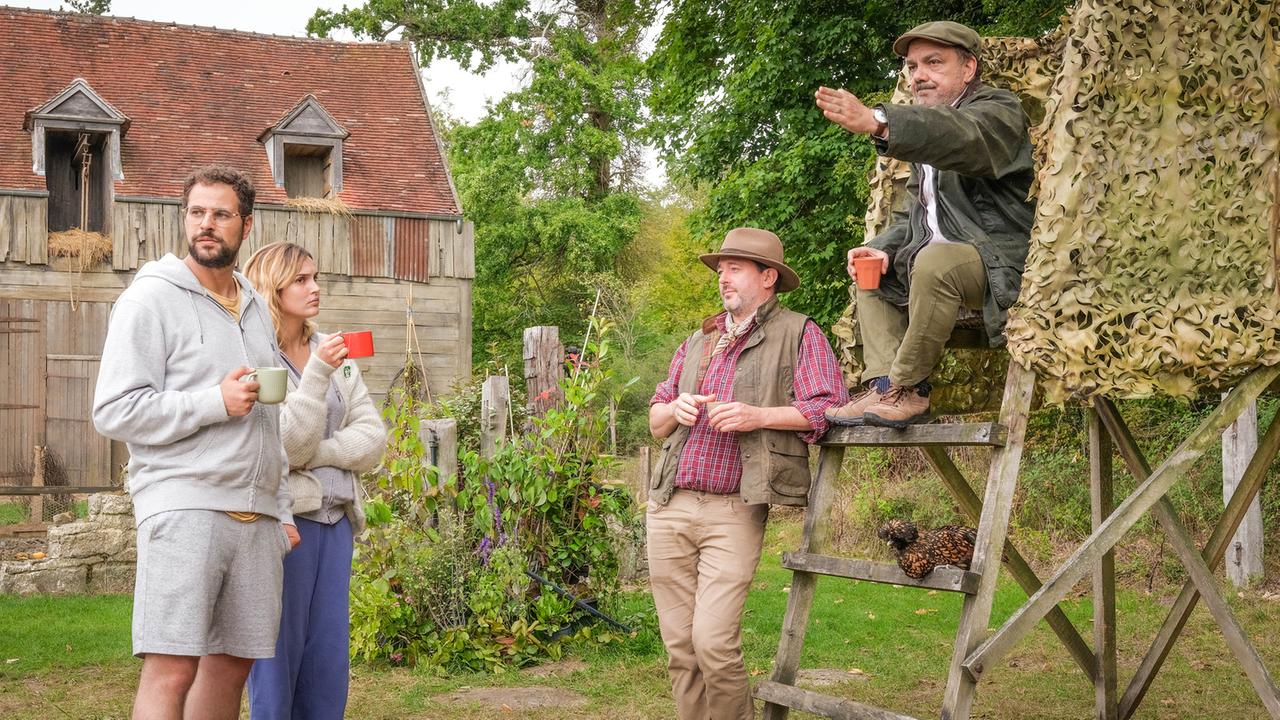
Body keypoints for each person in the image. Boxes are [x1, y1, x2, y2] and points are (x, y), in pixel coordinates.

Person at [92, 166, 297, 720]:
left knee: (233, 664)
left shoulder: (255, 306)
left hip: (255, 513)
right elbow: (114, 409)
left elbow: (266, 420)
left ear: (245, 225)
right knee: (173, 665)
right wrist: (213, 402)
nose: (207, 225)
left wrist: (279, 505)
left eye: (221, 214)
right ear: (185, 218)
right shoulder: (149, 300)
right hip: (184, 505)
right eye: (197, 212)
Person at [647, 227, 847, 720]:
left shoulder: (799, 332)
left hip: (733, 510)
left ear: (768, 278)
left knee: (712, 642)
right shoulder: (699, 339)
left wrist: (758, 415)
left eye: (735, 268)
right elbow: (655, 423)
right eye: (721, 270)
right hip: (668, 506)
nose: (723, 278)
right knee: (681, 649)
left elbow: (828, 409)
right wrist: (678, 406)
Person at [815, 20, 1036, 428]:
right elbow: (920, 214)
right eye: (913, 66)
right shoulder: (928, 131)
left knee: (935, 263)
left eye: (933, 62)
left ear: (968, 68)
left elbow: (963, 138)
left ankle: (906, 385)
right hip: (943, 262)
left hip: (1002, 261)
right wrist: (882, 246)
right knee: (869, 272)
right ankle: (886, 386)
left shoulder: (999, 111)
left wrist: (883, 122)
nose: (919, 76)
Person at [242, 241, 387, 719]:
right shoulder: (257, 357)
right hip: (286, 526)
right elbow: (286, 444)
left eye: (315, 276)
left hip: (337, 524)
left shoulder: (335, 352)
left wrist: (318, 457)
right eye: (302, 279)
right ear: (273, 286)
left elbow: (372, 439)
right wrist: (318, 373)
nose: (315, 287)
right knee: (278, 659)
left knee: (328, 662)